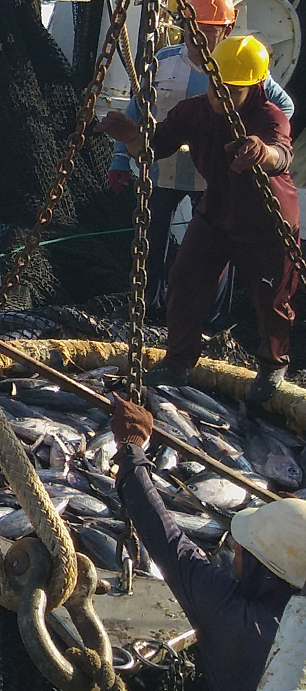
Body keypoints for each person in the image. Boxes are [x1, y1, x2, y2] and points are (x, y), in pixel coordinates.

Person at [98, 34, 300, 402]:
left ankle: (273, 363)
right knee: (184, 281)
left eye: (232, 90)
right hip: (216, 212)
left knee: (271, 299)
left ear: (254, 87)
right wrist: (129, 138)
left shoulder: (268, 116)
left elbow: (281, 154)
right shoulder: (194, 111)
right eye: (216, 83)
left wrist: (261, 153)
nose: (220, 95)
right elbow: (153, 147)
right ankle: (178, 362)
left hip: (268, 224)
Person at [108, 0, 294, 310]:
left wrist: (256, 141)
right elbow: (134, 113)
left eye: (207, 29)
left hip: (214, 177)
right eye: (191, 27)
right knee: (149, 243)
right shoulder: (163, 61)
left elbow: (283, 107)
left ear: (226, 30)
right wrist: (120, 158)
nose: (196, 36)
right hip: (161, 168)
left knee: (217, 248)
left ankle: (210, 316)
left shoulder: (236, 67)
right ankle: (148, 306)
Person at [109, 393, 304, 691]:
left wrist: (132, 448)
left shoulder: (233, 615)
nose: (234, 549)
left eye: (242, 549)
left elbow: (165, 538)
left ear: (259, 565)